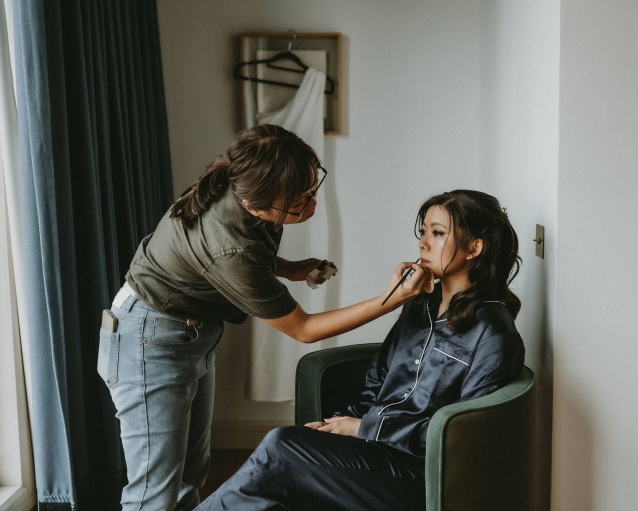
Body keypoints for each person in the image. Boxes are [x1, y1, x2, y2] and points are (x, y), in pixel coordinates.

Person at [96, 124, 433, 510]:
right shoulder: (229, 247)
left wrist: (289, 269)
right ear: (257, 204)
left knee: (190, 473)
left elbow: (239, 258)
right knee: (152, 492)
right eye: (298, 200)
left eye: (311, 189)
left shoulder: (237, 184)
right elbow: (304, 329)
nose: (311, 204)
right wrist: (393, 298)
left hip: (186, 335)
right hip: (148, 340)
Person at [195, 189, 526, 511]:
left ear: (474, 248)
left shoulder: (493, 333)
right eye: (423, 231)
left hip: (421, 474)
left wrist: (364, 427)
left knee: (280, 449)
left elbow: (461, 438)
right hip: (374, 452)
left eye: (438, 233)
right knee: (285, 457)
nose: (423, 242)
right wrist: (338, 425)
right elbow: (378, 380)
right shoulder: (419, 304)